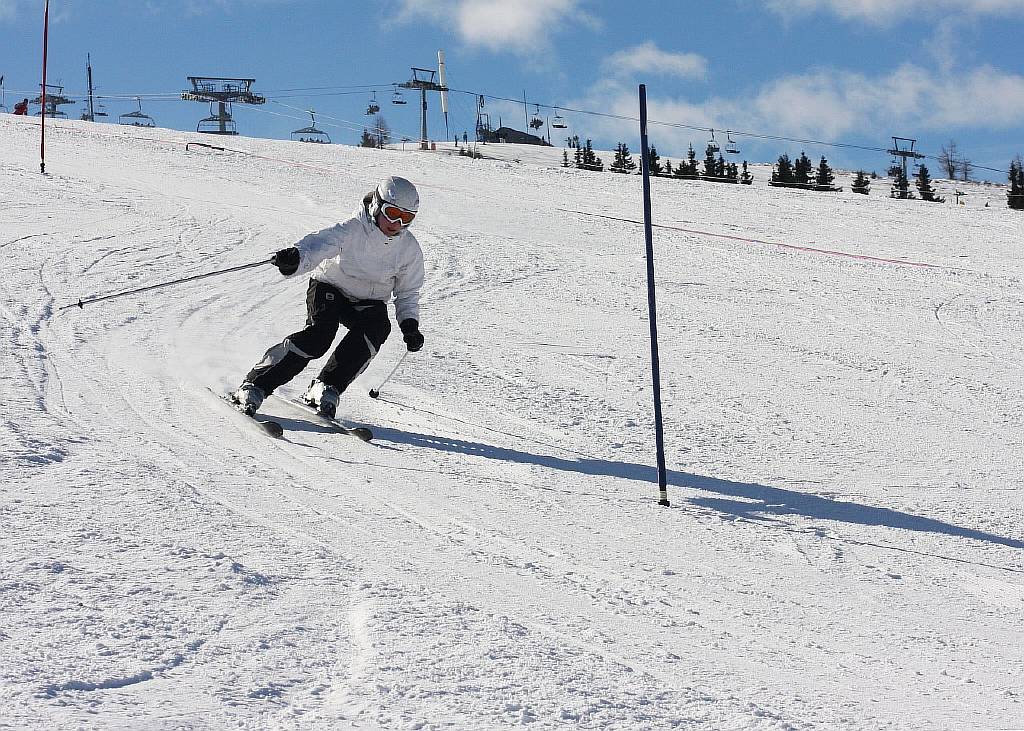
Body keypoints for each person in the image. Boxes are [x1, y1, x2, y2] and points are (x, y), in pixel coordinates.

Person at [233, 176, 425, 418]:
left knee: (377, 328)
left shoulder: (408, 249)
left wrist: (409, 324)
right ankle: (255, 384)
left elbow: (408, 292)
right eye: (392, 213)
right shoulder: (353, 229)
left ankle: (326, 386)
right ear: (377, 206)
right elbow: (319, 245)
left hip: (367, 300)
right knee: (320, 336)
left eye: (406, 218)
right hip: (330, 287)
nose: (397, 223)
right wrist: (297, 258)